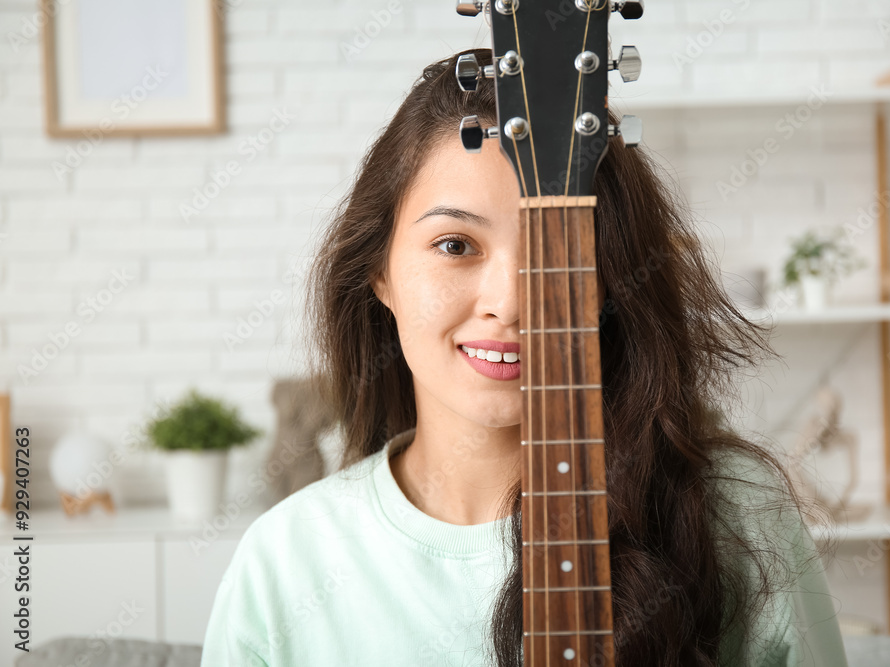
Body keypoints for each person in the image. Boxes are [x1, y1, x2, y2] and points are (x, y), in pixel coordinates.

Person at [200, 48, 848, 666]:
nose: (510, 303)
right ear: (380, 273)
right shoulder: (286, 562)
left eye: (555, 246)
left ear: (609, 281)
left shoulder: (737, 511)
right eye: (455, 245)